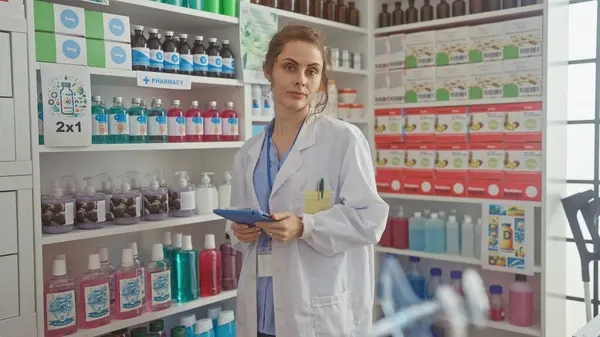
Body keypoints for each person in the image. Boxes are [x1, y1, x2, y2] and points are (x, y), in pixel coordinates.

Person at [225, 25, 389, 337]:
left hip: (315, 310)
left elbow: (370, 219)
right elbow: (237, 219)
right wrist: (239, 230)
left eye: (312, 71)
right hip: (260, 309)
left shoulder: (343, 140)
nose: (301, 79)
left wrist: (305, 226)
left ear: (320, 82)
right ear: (268, 71)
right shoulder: (249, 153)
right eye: (290, 67)